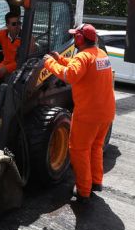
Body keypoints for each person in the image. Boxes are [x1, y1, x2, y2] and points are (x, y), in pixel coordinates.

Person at [43, 23, 115, 204]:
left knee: (79, 150)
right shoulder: (101, 54)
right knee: (96, 147)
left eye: (76, 36)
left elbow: (70, 76)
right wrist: (60, 58)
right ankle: (96, 182)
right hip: (106, 112)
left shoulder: (83, 57)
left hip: (88, 115)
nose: (74, 39)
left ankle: (84, 191)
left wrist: (49, 63)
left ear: (80, 39)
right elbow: (80, 67)